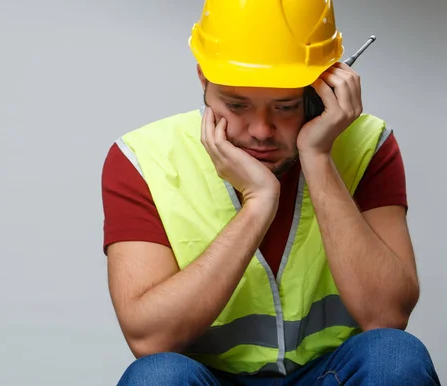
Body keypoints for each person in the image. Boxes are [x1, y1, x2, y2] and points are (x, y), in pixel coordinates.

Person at [100, 1, 441, 385]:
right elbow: (150, 339)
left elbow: (387, 318)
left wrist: (318, 156)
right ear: (203, 80)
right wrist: (258, 204)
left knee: (396, 357)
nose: (261, 130)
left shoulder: (367, 144)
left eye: (285, 106)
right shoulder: (144, 159)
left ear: (324, 87)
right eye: (236, 104)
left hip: (330, 375)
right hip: (210, 380)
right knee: (157, 376)